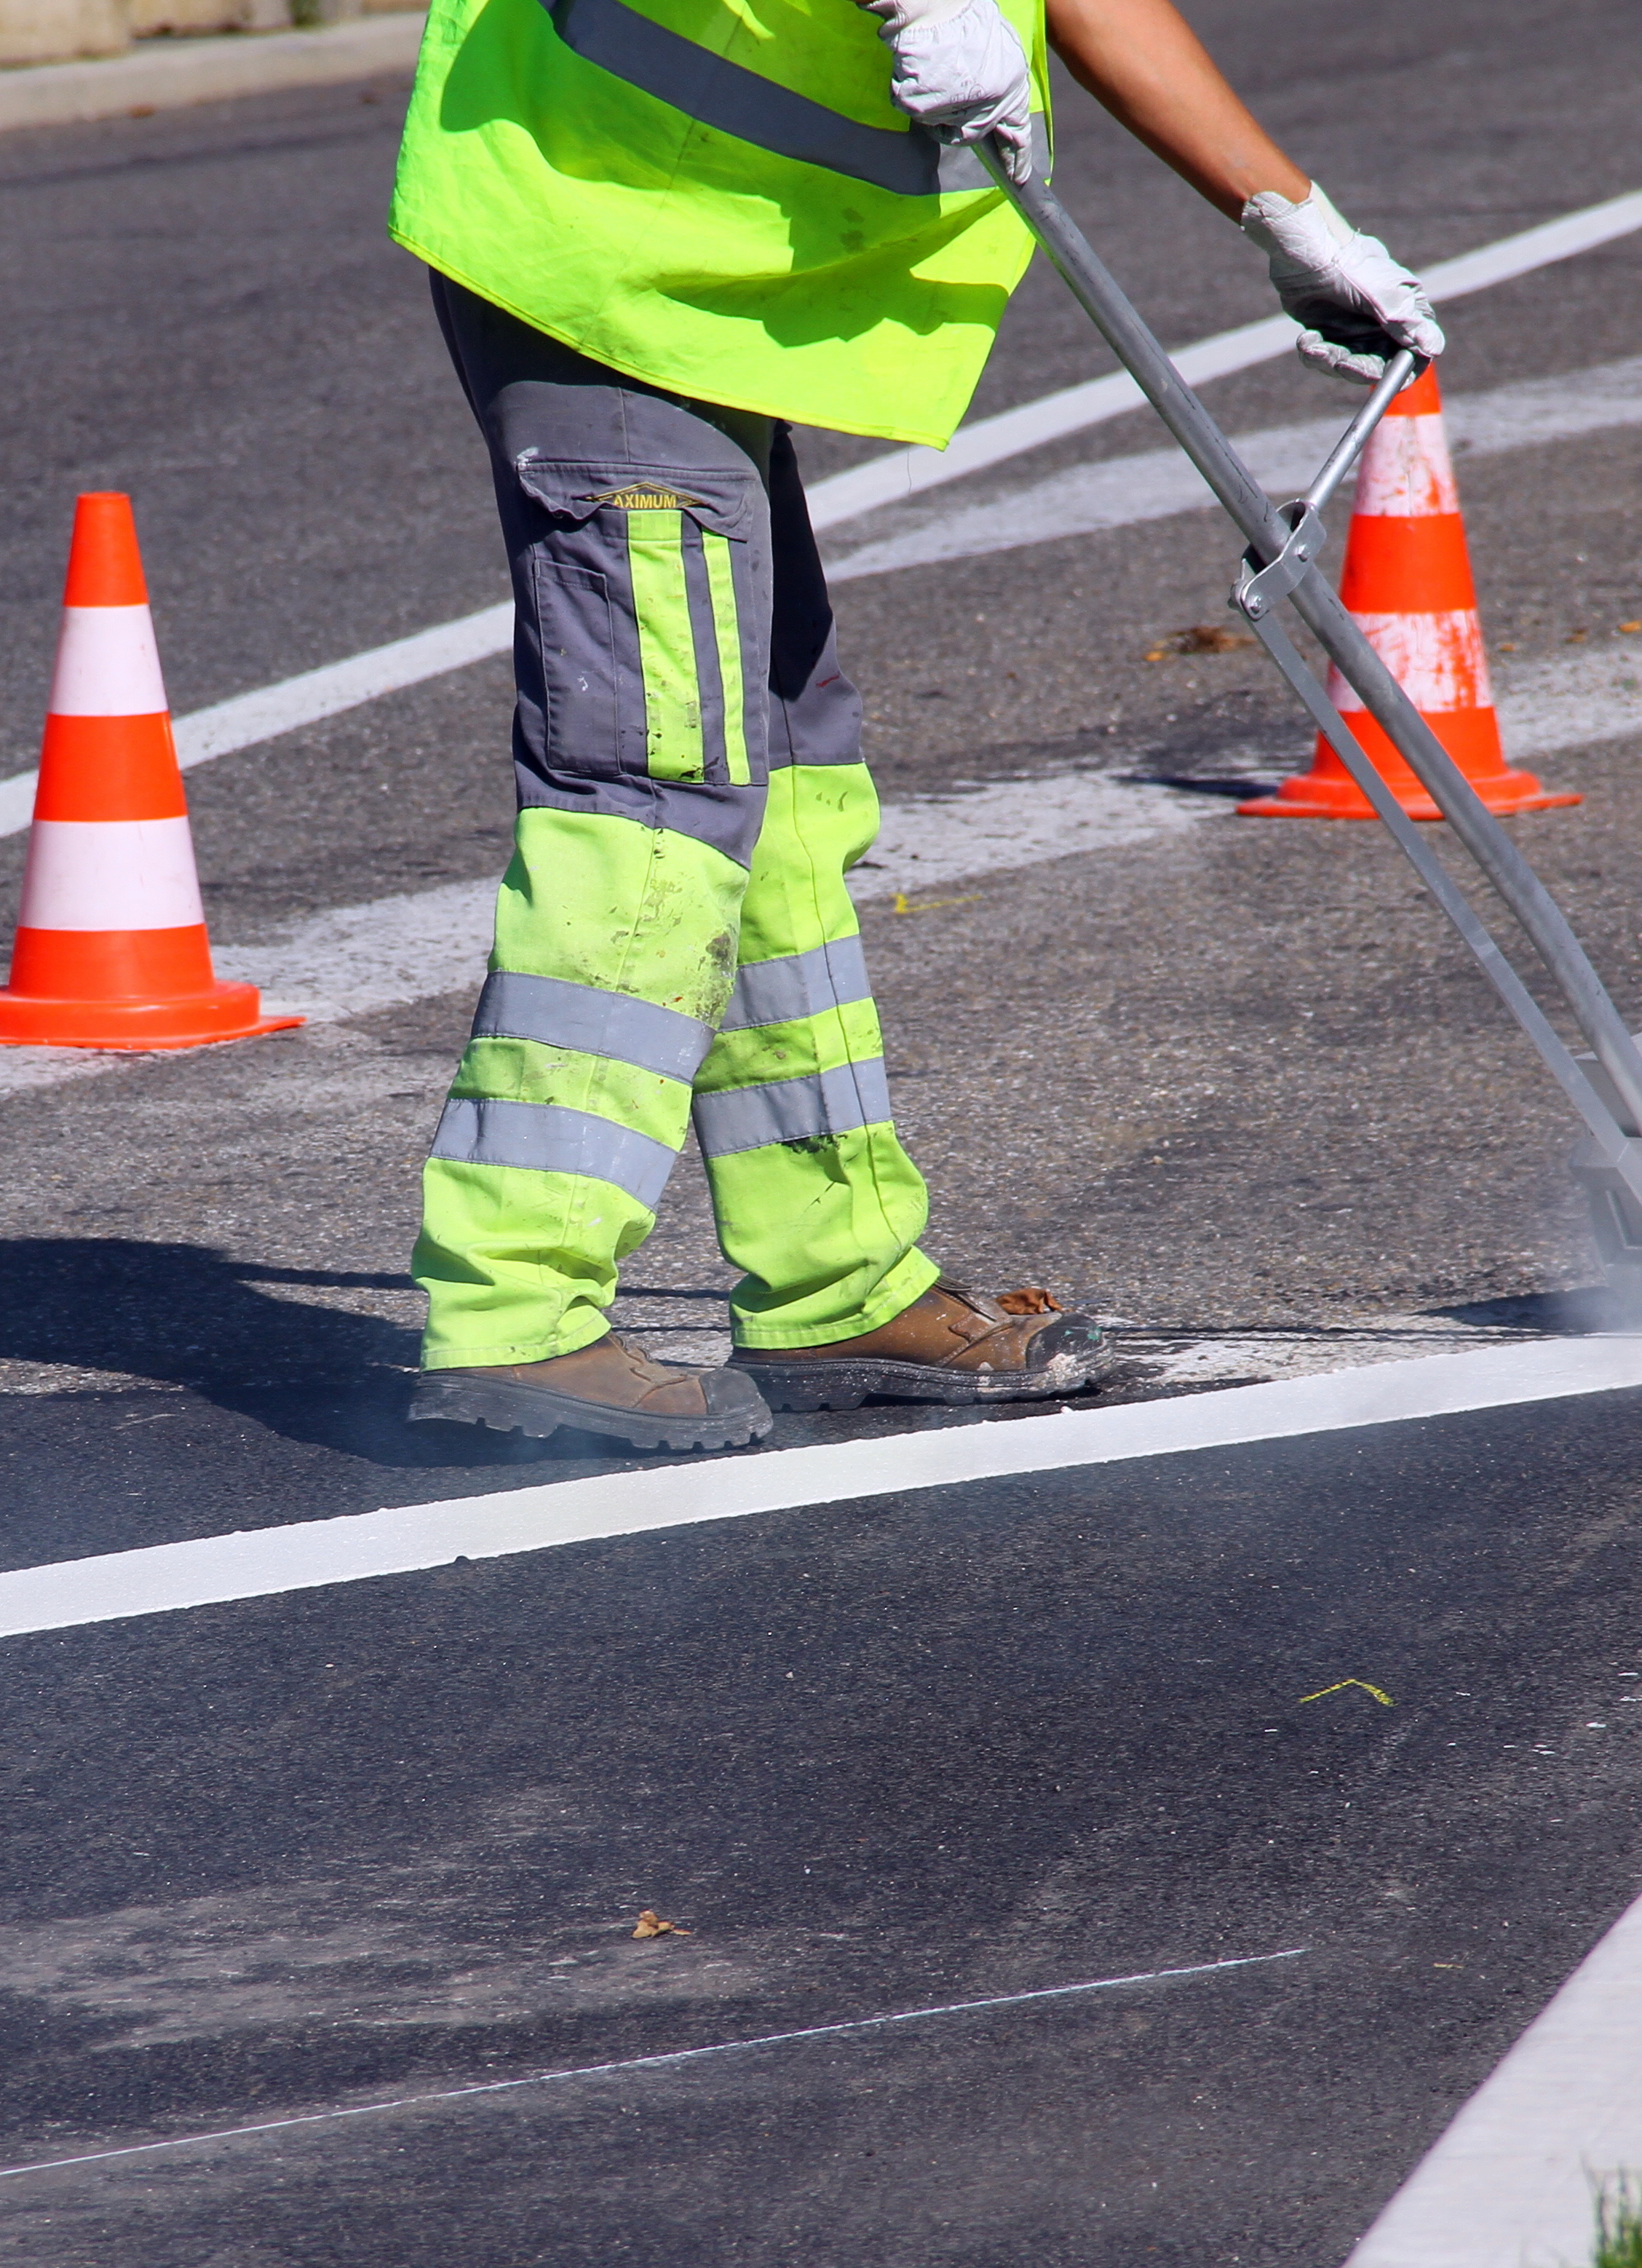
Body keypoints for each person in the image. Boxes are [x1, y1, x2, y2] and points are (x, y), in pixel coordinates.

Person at [392, 0, 1439, 1451]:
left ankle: (832, 1276)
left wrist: (1288, 217)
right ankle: (511, 1315)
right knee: (653, 778)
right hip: (606, 246)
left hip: (714, 277)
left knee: (783, 783)